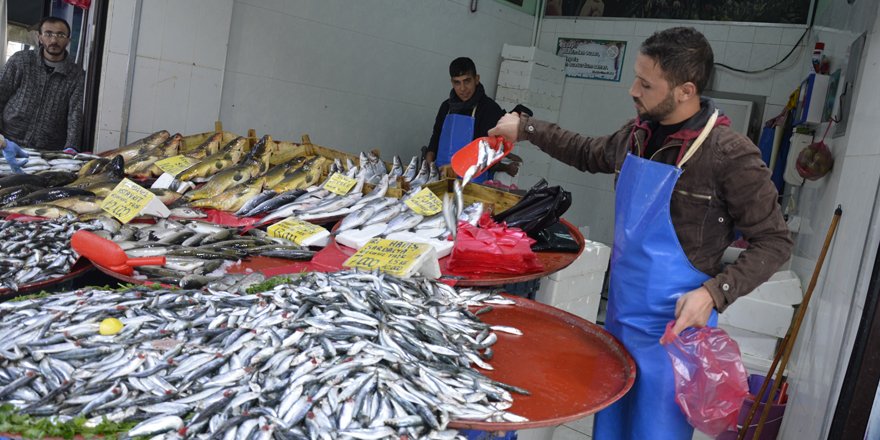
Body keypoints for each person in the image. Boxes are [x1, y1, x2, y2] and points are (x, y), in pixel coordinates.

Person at [489, 27, 792, 440]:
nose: (633, 90)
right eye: (636, 77)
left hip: (674, 335)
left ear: (686, 90)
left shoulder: (729, 154)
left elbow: (776, 240)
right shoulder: (638, 135)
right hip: (620, 321)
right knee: (610, 427)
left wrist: (715, 293)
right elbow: (585, 150)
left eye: (646, 84)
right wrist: (526, 128)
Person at [426, 57, 521, 183]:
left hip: (474, 182)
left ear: (477, 79)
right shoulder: (446, 107)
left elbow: (490, 151)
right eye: (457, 83)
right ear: (451, 82)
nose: (462, 88)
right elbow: (436, 136)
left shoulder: (489, 109)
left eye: (467, 81)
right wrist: (428, 162)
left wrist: (505, 167)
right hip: (441, 177)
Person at [0, 16, 84, 152]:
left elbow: (75, 114)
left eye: (60, 35)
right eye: (48, 34)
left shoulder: (76, 74)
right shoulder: (21, 60)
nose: (54, 40)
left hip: (47, 151)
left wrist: (71, 146)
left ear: (68, 40)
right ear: (40, 37)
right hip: (8, 142)